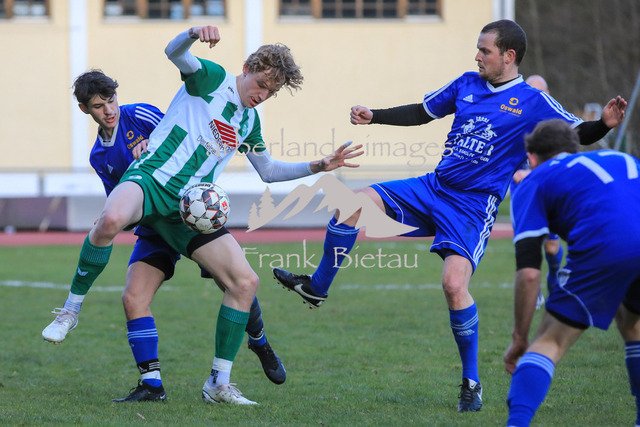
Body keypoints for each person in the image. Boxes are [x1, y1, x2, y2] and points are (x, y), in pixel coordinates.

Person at [272, 19, 627, 412]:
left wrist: (603, 124)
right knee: (351, 204)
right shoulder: (465, 84)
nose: (477, 56)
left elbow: (575, 133)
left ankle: (471, 382)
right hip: (433, 187)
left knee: (454, 286)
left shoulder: (532, 101)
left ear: (508, 56)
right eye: (478, 49)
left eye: (485, 51)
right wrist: (375, 115)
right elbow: (422, 112)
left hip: (472, 206)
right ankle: (317, 287)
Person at [42, 25, 362, 405]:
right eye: (261, 84)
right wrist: (193, 32)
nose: (262, 95)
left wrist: (318, 165)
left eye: (271, 92)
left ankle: (219, 383)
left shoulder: (249, 122)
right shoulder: (212, 78)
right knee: (110, 221)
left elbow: (268, 170)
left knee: (245, 283)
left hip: (191, 209)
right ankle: (70, 311)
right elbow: (175, 52)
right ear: (247, 68)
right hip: (152, 179)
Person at [41, 69, 291, 402]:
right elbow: (119, 205)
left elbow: (180, 131)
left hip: (186, 210)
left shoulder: (139, 114)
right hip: (152, 226)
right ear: (85, 110)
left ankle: (258, 340)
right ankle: (152, 385)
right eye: (99, 106)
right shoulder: (98, 156)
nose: (109, 110)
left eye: (111, 101)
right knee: (133, 298)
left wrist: (152, 144)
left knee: (235, 281)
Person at [503, 119, 640, 426]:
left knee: (550, 341)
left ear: (532, 158)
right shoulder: (620, 157)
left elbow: (529, 273)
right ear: (573, 147)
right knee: (633, 324)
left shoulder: (534, 180)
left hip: (608, 244)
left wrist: (520, 338)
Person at [514, 74, 564, 309]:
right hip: (522, 192)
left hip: (548, 191)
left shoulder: (556, 127)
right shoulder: (514, 121)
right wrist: (514, 173)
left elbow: (562, 163)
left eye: (539, 93)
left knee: (551, 247)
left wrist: (532, 174)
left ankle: (554, 276)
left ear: (548, 95)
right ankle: (535, 291)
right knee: (527, 242)